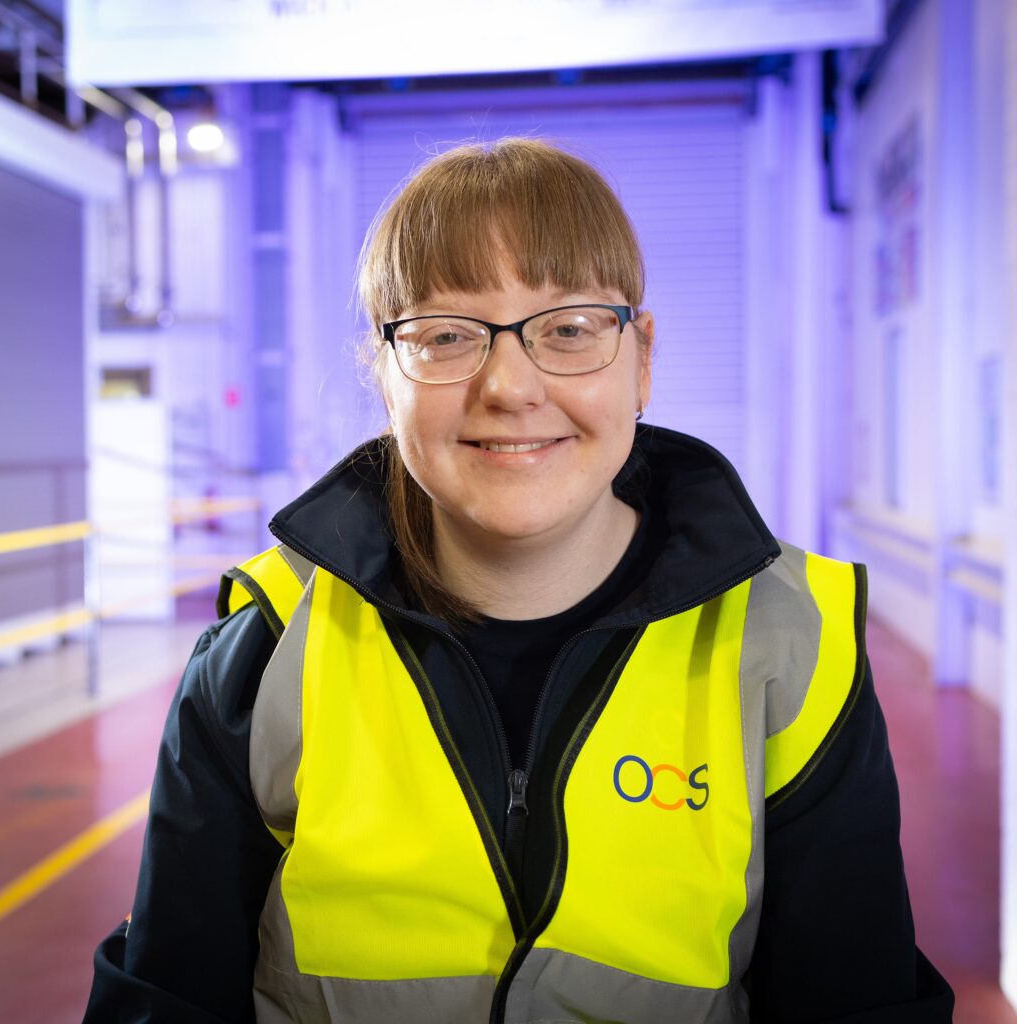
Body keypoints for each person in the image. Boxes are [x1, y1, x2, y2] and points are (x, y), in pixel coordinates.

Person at [84, 138, 954, 1024]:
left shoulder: (788, 649)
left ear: (641, 358)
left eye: (569, 329)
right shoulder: (265, 653)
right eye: (445, 336)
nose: (509, 385)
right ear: (384, 374)